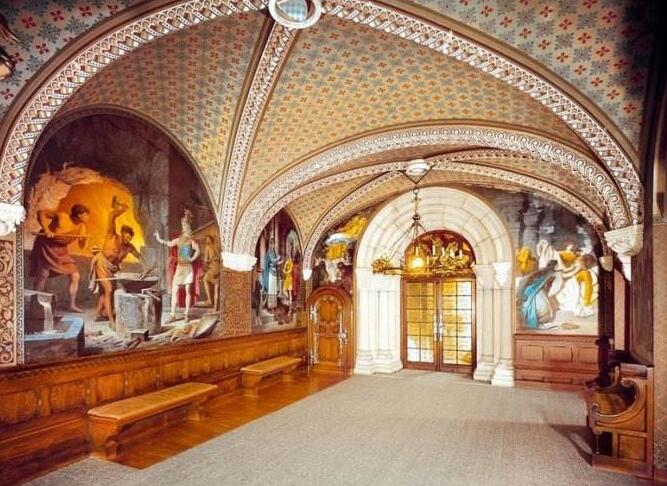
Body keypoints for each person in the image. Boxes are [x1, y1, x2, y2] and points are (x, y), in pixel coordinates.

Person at [89, 197, 145, 323]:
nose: (128, 240)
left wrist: (145, 269)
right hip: (102, 264)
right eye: (126, 237)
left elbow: (139, 256)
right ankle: (111, 320)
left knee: (106, 291)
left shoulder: (129, 247)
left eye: (130, 238)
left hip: (112, 269)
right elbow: (111, 215)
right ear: (122, 233)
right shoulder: (112, 236)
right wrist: (121, 209)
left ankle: (98, 314)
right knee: (109, 289)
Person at [30, 204, 90, 312]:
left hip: (62, 251)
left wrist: (84, 239)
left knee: (75, 275)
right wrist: (46, 229)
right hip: (47, 246)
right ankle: (35, 304)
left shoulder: (82, 227)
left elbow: (82, 246)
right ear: (79, 215)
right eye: (86, 215)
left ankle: (71, 305)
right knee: (43, 275)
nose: (88, 217)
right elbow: (41, 212)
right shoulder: (62, 216)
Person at [155, 209, 200, 322]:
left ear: (188, 229)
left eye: (186, 227)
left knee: (188, 291)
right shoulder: (178, 240)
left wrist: (192, 258)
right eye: (183, 227)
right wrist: (158, 238)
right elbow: (169, 243)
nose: (184, 229)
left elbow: (198, 250)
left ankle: (186, 314)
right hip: (180, 268)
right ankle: (173, 315)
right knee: (175, 291)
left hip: (188, 268)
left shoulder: (190, 241)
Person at [201, 234, 220, 310]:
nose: (206, 241)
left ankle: (209, 299)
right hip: (219, 269)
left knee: (205, 279)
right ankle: (215, 308)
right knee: (216, 287)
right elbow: (219, 257)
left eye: (207, 239)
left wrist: (208, 261)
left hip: (213, 268)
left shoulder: (208, 247)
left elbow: (206, 261)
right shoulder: (216, 247)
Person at [262, 238, 281, 309]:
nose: (273, 245)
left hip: (274, 272)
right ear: (270, 244)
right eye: (272, 244)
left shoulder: (274, 252)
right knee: (271, 288)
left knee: (274, 288)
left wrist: (279, 262)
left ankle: (273, 305)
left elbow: (275, 263)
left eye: (274, 244)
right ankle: (269, 305)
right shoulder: (269, 252)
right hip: (270, 272)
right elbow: (272, 261)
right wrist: (278, 259)